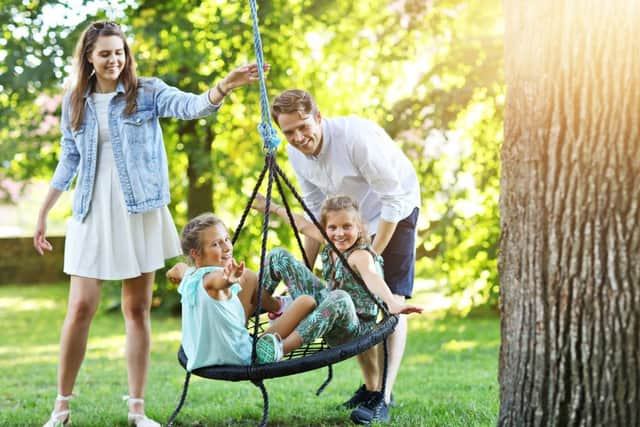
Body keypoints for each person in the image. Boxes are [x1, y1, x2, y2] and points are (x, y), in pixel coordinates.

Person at [33, 20, 268, 427]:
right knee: (80, 308)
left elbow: (192, 106)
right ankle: (62, 406)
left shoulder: (147, 93)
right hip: (91, 211)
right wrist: (42, 212)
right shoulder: (75, 102)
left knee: (137, 309)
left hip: (139, 210)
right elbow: (67, 161)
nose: (114, 60)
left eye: (119, 51)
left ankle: (137, 410)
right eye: (104, 53)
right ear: (89, 57)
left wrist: (224, 86)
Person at [270, 89, 421, 424]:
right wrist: (305, 271)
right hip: (346, 222)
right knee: (355, 303)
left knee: (388, 298)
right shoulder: (297, 154)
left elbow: (393, 199)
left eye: (303, 127)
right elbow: (314, 218)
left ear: (319, 117)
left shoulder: (356, 139)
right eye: (288, 132)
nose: (298, 137)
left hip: (391, 212)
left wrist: (366, 260)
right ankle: (371, 387)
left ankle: (384, 396)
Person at [251, 194, 423, 415]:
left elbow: (372, 277)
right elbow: (301, 224)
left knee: (339, 297)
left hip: (354, 327)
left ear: (359, 227)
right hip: (327, 308)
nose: (339, 233)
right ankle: (266, 305)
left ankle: (279, 349)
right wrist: (272, 207)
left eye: (347, 226)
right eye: (332, 227)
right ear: (324, 228)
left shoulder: (360, 255)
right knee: (279, 256)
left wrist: (392, 302)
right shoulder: (329, 242)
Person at [165, 213, 316, 370]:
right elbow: (216, 281)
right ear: (195, 253)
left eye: (226, 239)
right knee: (307, 301)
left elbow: (178, 269)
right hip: (240, 356)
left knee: (249, 276)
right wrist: (228, 280)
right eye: (216, 244)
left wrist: (172, 273)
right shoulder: (212, 278)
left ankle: (277, 308)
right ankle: (277, 342)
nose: (226, 247)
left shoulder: (189, 275)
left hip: (202, 356)